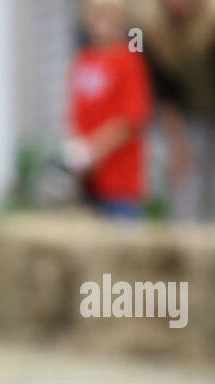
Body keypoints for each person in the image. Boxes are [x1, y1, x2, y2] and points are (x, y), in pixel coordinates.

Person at [137, 0, 215, 222]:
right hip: (190, 113)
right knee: (184, 178)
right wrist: (178, 146)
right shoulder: (155, 30)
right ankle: (183, 246)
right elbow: (164, 94)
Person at [62, 0, 153, 219]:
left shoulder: (130, 61)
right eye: (99, 14)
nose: (105, 21)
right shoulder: (82, 60)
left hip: (121, 185)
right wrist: (75, 151)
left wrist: (92, 151)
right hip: (88, 184)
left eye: (112, 15)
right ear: (86, 18)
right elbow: (75, 113)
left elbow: (132, 120)